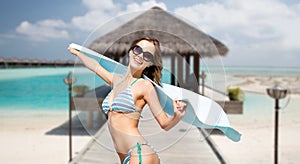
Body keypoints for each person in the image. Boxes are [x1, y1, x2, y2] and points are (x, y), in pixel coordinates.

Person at [69, 37, 187, 164]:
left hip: (139, 153)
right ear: (130, 51)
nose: (140, 55)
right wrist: (78, 52)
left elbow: (164, 123)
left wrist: (177, 115)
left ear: (150, 63)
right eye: (138, 49)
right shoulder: (117, 80)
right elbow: (96, 66)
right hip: (124, 157)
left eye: (147, 55)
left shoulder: (145, 86)